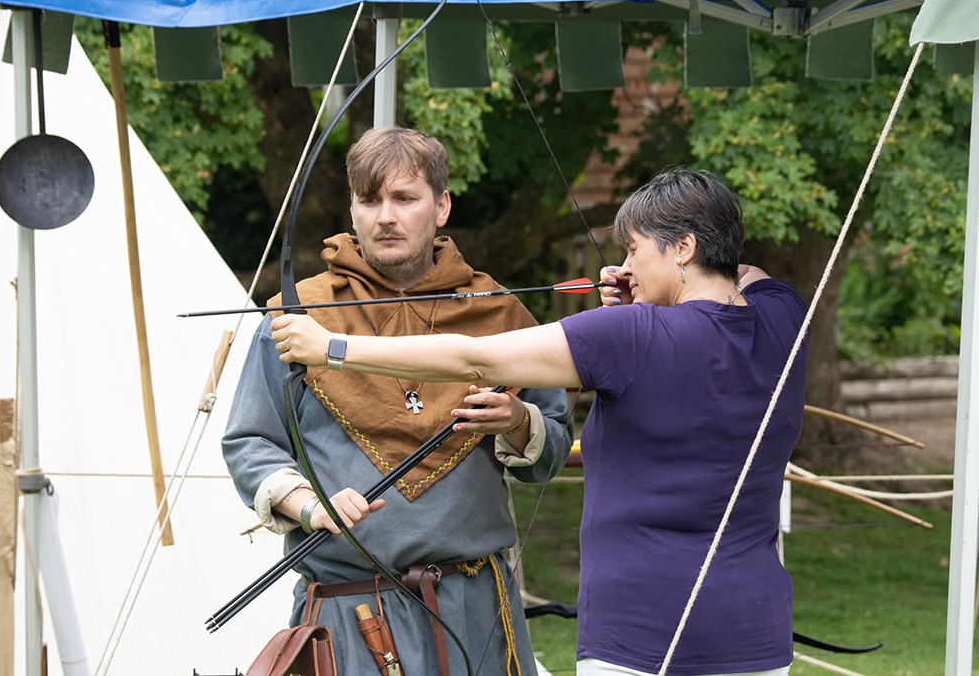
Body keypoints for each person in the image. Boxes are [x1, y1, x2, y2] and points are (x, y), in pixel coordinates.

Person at [272, 167, 809, 676]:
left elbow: (473, 359)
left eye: (633, 249)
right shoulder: (783, 314)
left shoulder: (629, 333)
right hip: (756, 632)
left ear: (684, 248)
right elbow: (742, 277)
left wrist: (331, 347)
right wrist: (656, 284)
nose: (624, 267)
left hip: (640, 634)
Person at [222, 126, 573, 676]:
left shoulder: (499, 315)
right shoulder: (299, 315)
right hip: (348, 617)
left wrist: (516, 421)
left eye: (405, 198)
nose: (385, 216)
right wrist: (310, 504)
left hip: (475, 613)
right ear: (352, 209)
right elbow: (250, 441)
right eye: (370, 200)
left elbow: (549, 453)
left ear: (442, 207)